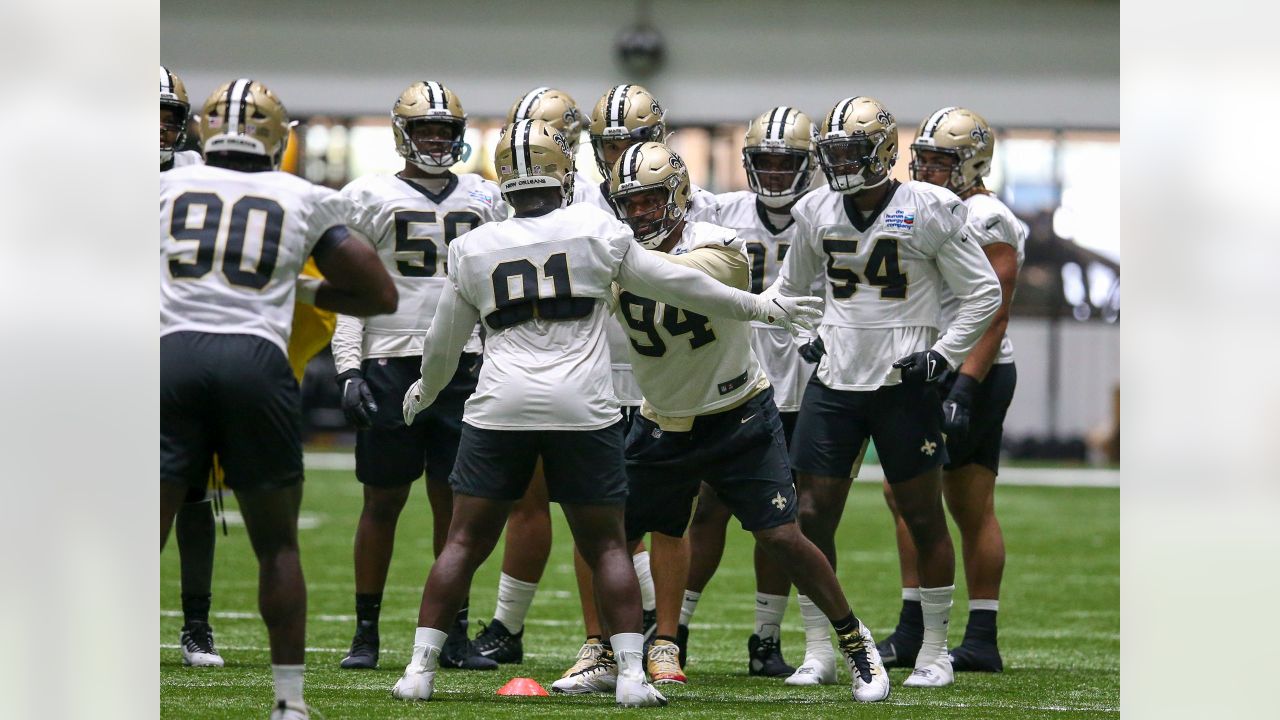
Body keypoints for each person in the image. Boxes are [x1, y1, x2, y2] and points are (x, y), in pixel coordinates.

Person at [389, 119, 821, 707]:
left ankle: (419, 669)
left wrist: (425, 388)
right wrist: (760, 308)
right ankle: (630, 676)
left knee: (463, 542)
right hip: (581, 406)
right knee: (609, 545)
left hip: (500, 404)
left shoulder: (471, 247)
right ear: (564, 172)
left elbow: (444, 345)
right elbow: (678, 284)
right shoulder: (595, 229)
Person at [553, 140, 890, 701]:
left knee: (781, 535)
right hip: (664, 418)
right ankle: (610, 651)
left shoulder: (720, 246)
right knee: (605, 536)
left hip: (738, 415)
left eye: (651, 200)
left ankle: (856, 641)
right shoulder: (615, 252)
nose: (639, 214)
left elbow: (679, 282)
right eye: (628, 203)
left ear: (679, 194)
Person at [161, 78, 398, 720]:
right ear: (278, 135)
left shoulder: (160, 188)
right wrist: (298, 292)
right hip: (254, 361)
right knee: (277, 544)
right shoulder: (302, 196)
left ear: (204, 129)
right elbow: (380, 294)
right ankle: (289, 703)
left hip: (171, 357)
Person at [766, 96, 1001, 689]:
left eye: (851, 151)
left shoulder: (931, 207)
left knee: (923, 516)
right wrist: (805, 337)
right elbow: (789, 292)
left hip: (903, 382)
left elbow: (984, 294)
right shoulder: (817, 208)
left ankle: (937, 651)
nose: (841, 164)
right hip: (836, 383)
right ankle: (820, 650)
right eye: (834, 153)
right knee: (811, 516)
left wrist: (944, 357)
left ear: (881, 152)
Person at [329, 80, 507, 672]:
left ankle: (452, 633)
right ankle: (366, 631)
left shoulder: (486, 197)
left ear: (459, 136)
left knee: (457, 506)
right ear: (402, 134)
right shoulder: (366, 195)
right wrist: (349, 367)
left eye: (445, 130)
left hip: (465, 362)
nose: (435, 139)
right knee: (382, 501)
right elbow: (352, 293)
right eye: (424, 129)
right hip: (389, 359)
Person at [876, 106, 1026, 674]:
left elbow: (994, 315)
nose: (931, 170)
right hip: (948, 367)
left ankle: (922, 629)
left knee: (919, 498)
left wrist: (963, 386)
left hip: (970, 371)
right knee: (955, 503)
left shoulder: (986, 215)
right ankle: (975, 637)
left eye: (944, 161)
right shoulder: (933, 207)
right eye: (927, 159)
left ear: (974, 163)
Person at [678, 106, 823, 678]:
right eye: (765, 160)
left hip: (808, 387)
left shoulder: (824, 214)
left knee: (784, 519)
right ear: (748, 162)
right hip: (733, 380)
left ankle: (765, 637)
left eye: (788, 161)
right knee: (707, 508)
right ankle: (676, 627)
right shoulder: (721, 211)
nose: (777, 172)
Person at [468, 86, 587, 665]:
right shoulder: (503, 201)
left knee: (614, 512)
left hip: (602, 361)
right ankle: (508, 627)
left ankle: (634, 635)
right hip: (528, 358)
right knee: (531, 500)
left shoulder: (605, 200)